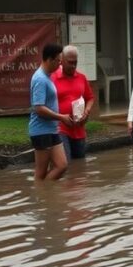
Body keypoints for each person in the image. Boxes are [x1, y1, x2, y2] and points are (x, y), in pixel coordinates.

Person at [30, 43, 71, 181]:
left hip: (51, 129)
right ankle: (41, 192)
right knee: (41, 173)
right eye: (58, 61)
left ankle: (46, 191)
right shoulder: (40, 79)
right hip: (41, 131)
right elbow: (38, 108)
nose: (60, 64)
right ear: (49, 60)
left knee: (62, 165)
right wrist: (61, 117)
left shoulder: (47, 76)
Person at [51, 45, 95, 160]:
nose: (73, 66)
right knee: (65, 162)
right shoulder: (53, 78)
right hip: (60, 128)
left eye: (75, 62)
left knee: (80, 164)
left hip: (79, 128)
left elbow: (90, 98)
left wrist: (87, 112)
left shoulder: (81, 78)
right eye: (70, 62)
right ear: (62, 60)